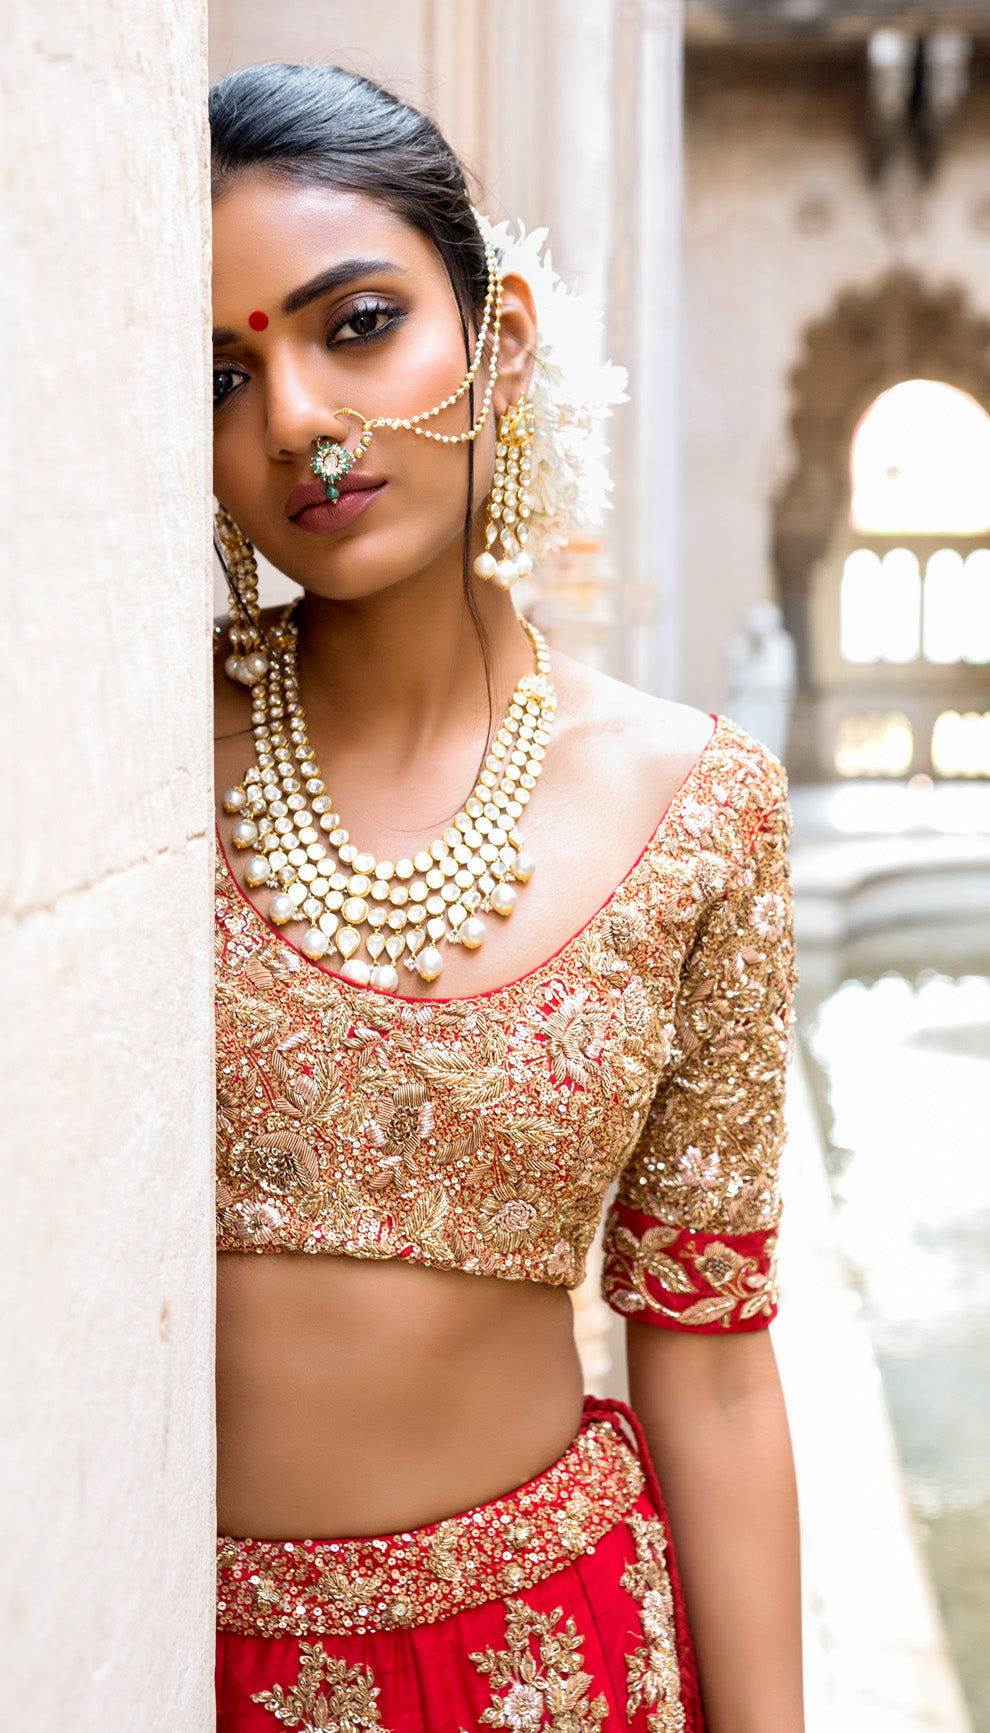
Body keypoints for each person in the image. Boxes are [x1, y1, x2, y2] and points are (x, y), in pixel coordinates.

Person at [211, 62, 804, 1733]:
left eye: (355, 323)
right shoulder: (129, 778)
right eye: (221, 375)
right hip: (147, 1653)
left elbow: (706, 1349)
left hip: (546, 1664)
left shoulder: (695, 808)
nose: (299, 423)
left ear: (502, 339)